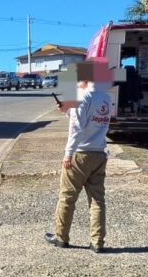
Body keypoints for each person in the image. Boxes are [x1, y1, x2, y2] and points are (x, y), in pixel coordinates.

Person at [45, 62, 113, 253]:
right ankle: (97, 242)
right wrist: (67, 111)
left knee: (67, 197)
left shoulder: (82, 97)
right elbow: (90, 122)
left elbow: (77, 128)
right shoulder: (106, 99)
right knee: (97, 200)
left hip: (80, 154)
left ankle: (61, 237)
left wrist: (68, 153)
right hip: (99, 152)